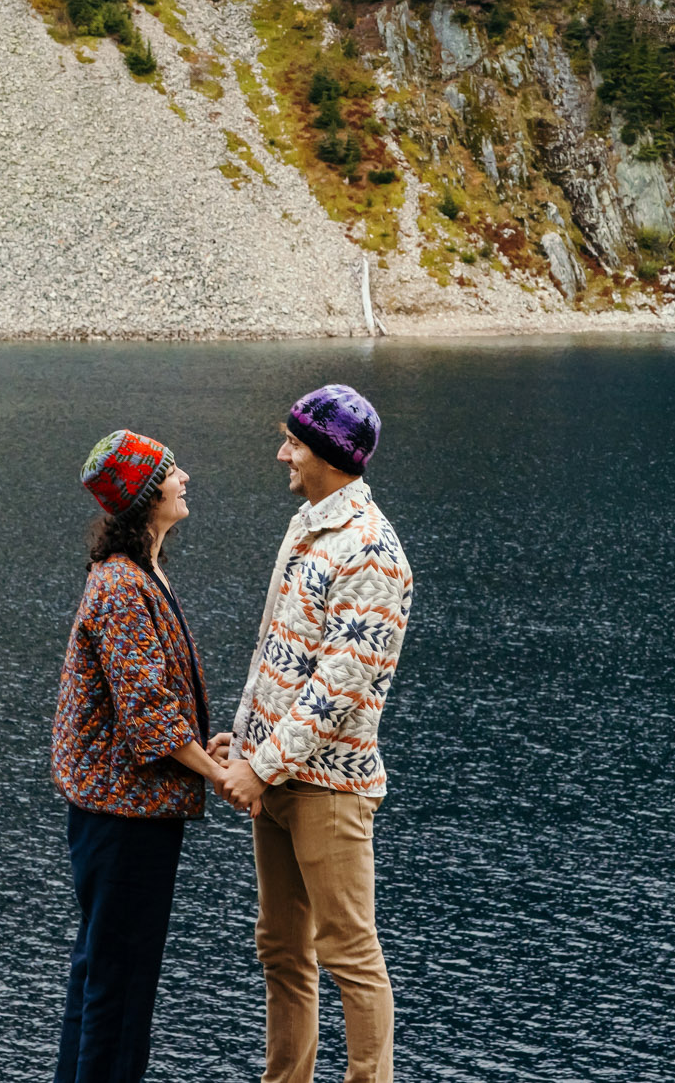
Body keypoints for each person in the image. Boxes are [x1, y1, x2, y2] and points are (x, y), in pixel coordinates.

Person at [219, 384, 414, 1083]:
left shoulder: (371, 553)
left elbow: (338, 689)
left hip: (328, 788)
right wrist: (243, 740)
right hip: (276, 777)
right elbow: (277, 648)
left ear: (329, 455)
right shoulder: (309, 523)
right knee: (281, 947)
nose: (283, 453)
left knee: (348, 953)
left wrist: (259, 765)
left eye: (294, 443)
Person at [52, 429, 236, 1083]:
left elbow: (158, 703)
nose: (184, 477)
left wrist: (205, 744)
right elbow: (148, 716)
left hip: (120, 813)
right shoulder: (124, 586)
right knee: (120, 989)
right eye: (170, 470)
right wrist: (220, 775)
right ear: (143, 496)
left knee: (101, 973)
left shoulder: (139, 573)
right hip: (124, 818)